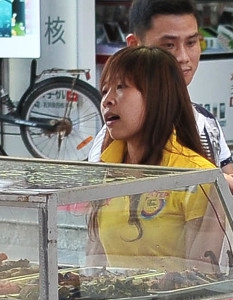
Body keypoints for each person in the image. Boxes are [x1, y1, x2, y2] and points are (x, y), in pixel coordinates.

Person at [88, 0, 233, 191]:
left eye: (191, 42)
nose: (183, 56)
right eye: (168, 45)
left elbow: (225, 200)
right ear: (135, 46)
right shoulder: (111, 142)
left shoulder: (206, 122)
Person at [88, 46, 224, 271]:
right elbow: (93, 265)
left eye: (121, 87)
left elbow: (201, 276)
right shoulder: (105, 172)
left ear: (157, 96)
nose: (107, 101)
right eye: (104, 90)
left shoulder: (195, 176)